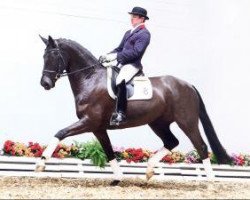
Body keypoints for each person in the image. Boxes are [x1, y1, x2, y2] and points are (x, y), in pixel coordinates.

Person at [99, 6, 151, 126]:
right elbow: (119, 49)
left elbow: (136, 52)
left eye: (134, 16)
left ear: (142, 19)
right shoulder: (129, 32)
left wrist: (116, 57)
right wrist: (107, 55)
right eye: (131, 16)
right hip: (122, 63)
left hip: (132, 64)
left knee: (120, 80)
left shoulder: (144, 34)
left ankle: (121, 113)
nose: (131, 19)